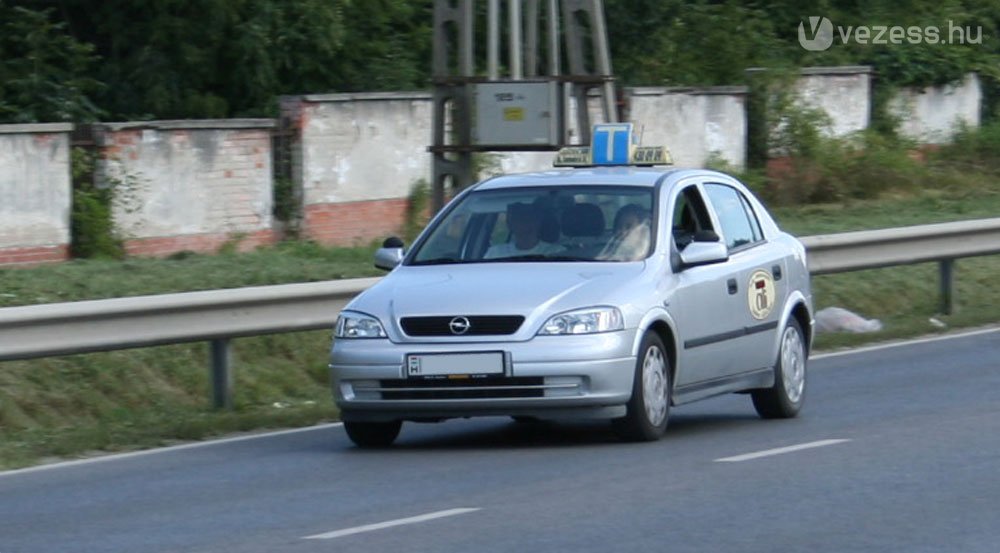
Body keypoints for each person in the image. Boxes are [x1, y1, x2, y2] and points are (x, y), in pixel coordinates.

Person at [484, 202, 565, 259]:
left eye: (528, 219)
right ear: (510, 224)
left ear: (538, 223)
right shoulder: (495, 253)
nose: (524, 224)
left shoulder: (557, 252)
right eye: (519, 220)